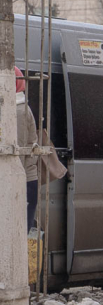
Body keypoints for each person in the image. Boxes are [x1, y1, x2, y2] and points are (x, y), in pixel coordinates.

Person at [15, 67, 38, 230]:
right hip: (19, 181)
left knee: (18, 234)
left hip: (22, 181)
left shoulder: (19, 111)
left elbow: (18, 153)